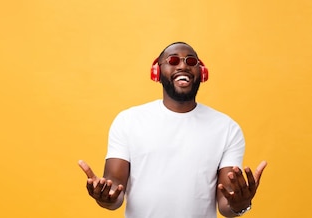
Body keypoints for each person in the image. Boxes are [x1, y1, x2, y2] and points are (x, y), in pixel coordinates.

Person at [78, 42, 267, 217]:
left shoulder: (227, 128)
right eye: (173, 60)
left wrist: (240, 204)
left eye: (191, 61)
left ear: (202, 73)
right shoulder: (128, 121)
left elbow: (227, 204)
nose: (183, 66)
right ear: (157, 72)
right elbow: (115, 189)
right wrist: (105, 198)